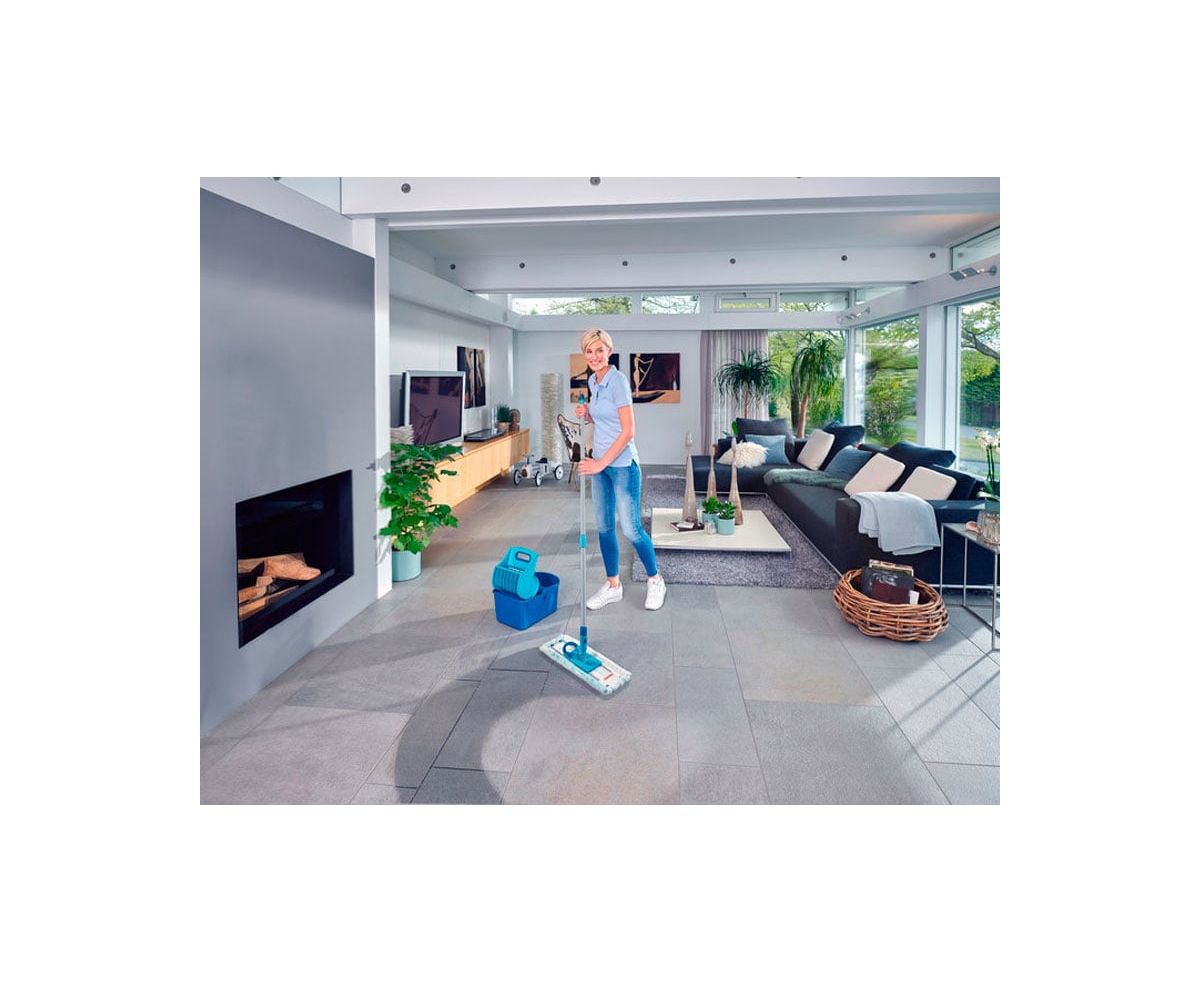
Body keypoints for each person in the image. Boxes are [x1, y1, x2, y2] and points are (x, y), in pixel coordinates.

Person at [575, 329, 667, 611]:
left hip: (623, 466)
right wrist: (588, 414)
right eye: (589, 351)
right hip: (601, 465)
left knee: (631, 529)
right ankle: (613, 586)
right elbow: (607, 419)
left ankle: (656, 579)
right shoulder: (594, 381)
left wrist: (600, 463)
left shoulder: (619, 381)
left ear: (609, 352)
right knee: (604, 528)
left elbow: (628, 431)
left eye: (599, 350)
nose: (594, 356)